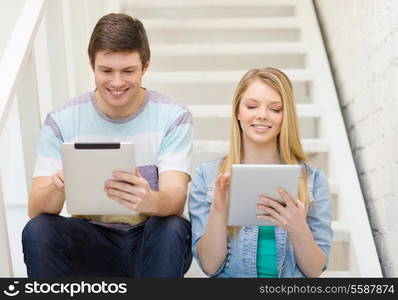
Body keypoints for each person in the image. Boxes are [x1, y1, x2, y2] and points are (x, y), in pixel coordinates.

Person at [22, 13, 193, 278]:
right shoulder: (62, 120)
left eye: (128, 71)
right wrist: (58, 188)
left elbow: (176, 198)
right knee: (39, 229)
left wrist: (149, 200)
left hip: (151, 241)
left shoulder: (172, 117)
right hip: (92, 241)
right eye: (106, 71)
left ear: (145, 66)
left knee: (172, 226)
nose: (116, 83)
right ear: (92, 65)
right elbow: (36, 207)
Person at [188, 67, 333, 278]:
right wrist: (219, 210)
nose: (262, 116)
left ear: (286, 117)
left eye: (275, 109)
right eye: (251, 106)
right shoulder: (207, 176)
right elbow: (209, 266)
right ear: (238, 111)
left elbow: (315, 270)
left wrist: (298, 227)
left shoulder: (312, 179)